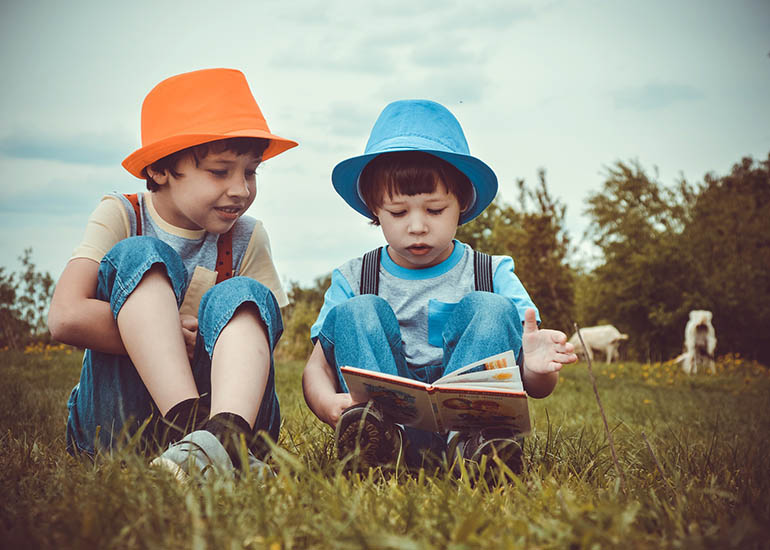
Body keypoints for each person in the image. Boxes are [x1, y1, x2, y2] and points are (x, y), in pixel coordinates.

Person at [302, 99, 577, 474]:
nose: (417, 226)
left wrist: (539, 370)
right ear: (374, 209)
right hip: (386, 425)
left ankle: (476, 450)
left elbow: (536, 385)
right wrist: (326, 403)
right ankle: (376, 446)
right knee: (357, 311)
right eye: (398, 212)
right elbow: (316, 367)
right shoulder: (354, 276)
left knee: (492, 307)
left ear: (461, 203)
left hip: (470, 426)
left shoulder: (492, 272)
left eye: (434, 210)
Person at [48, 68, 297, 479]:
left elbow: (265, 331)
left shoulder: (248, 236)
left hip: (227, 406)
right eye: (221, 171)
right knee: (140, 254)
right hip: (120, 424)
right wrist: (160, 335)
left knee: (244, 294)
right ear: (161, 170)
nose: (241, 189)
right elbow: (65, 316)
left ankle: (225, 436)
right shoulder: (123, 214)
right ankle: (196, 434)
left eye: (251, 172)